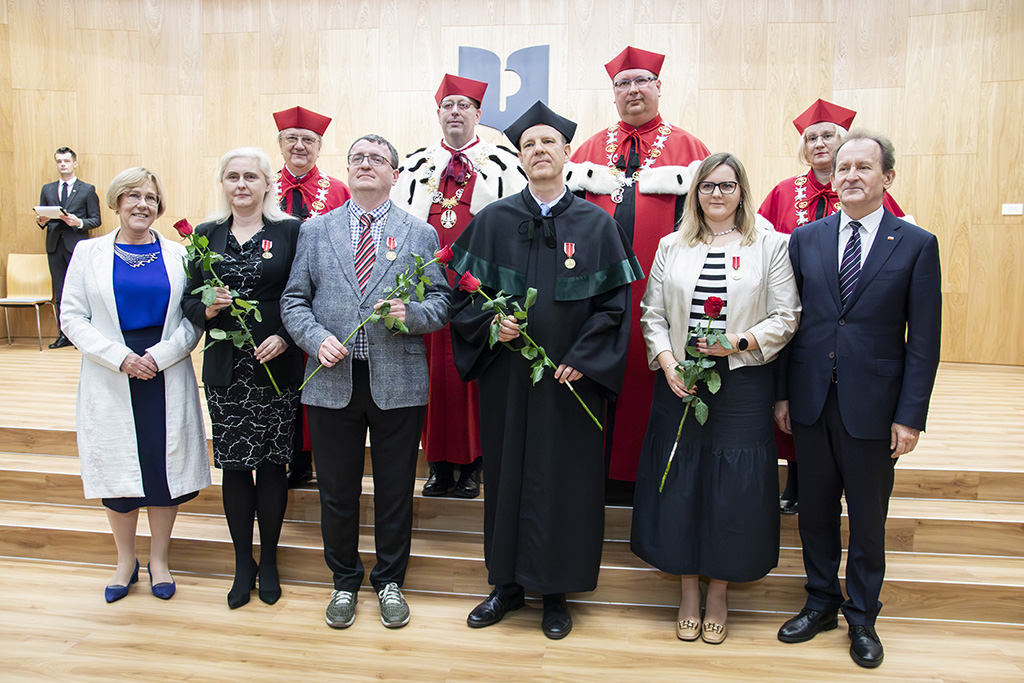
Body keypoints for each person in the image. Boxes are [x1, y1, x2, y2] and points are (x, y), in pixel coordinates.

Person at [450, 101, 643, 640]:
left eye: (548, 143)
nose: (539, 150)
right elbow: (463, 301)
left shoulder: (596, 224)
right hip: (508, 381)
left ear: (565, 154)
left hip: (568, 384)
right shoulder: (493, 222)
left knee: (566, 483)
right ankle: (507, 586)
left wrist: (583, 359)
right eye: (529, 144)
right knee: (507, 476)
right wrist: (492, 325)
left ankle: (555, 592)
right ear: (520, 156)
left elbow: (615, 309)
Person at [775, 131, 941, 668]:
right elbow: (789, 324)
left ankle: (863, 615)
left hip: (875, 406)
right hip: (810, 401)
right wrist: (781, 394)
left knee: (868, 518)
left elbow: (925, 341)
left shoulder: (916, 244)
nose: (849, 176)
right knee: (815, 512)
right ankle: (821, 599)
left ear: (886, 177)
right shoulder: (806, 238)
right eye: (842, 167)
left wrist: (911, 416)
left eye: (863, 167)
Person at [281, 134, 450, 630]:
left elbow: (441, 304)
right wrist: (315, 339)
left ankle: (391, 581)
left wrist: (410, 313)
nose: (366, 165)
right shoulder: (315, 230)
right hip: (331, 377)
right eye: (357, 158)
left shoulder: (418, 233)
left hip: (397, 380)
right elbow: (294, 301)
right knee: (337, 490)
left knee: (396, 489)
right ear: (347, 170)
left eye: (377, 159)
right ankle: (343, 581)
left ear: (395, 174)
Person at [631, 153, 800, 644]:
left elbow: (785, 316)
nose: (717, 195)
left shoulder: (770, 244)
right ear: (695, 193)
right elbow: (652, 314)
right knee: (681, 480)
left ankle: (720, 591)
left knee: (732, 488)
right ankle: (687, 589)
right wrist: (666, 362)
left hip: (743, 382)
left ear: (742, 191)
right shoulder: (671, 245)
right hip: (680, 380)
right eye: (707, 186)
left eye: (727, 186)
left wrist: (738, 342)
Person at [60, 167, 210, 602]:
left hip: (163, 369)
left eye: (150, 197)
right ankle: (125, 560)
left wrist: (158, 358)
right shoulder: (88, 254)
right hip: (112, 372)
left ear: (159, 206)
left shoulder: (180, 255)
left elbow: (191, 320)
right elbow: (72, 318)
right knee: (119, 471)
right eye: (132, 196)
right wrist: (120, 358)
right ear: (116, 201)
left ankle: (159, 558)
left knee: (164, 471)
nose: (142, 204)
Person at [568, 46, 710, 490]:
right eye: (622, 83)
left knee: (652, 375)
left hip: (663, 293)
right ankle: (599, 475)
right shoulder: (590, 149)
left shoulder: (690, 148)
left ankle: (648, 477)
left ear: (658, 88)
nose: (632, 90)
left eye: (641, 81)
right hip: (599, 295)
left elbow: (710, 222)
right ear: (613, 94)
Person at [759, 100, 911, 515]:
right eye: (812, 138)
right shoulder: (784, 192)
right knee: (801, 410)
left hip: (859, 330)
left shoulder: (876, 197)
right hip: (802, 317)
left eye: (828, 135)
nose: (820, 143)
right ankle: (798, 477)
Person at [392, 73, 526, 499]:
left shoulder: (506, 164)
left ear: (478, 114)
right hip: (427, 286)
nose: (455, 112)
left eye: (464, 105)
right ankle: (437, 464)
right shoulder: (414, 165)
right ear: (438, 113)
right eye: (448, 105)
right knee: (429, 375)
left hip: (481, 286)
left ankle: (473, 465)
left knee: (473, 374)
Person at [181, 148, 303, 609]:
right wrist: (206, 308)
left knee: (272, 465)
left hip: (276, 365)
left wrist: (288, 336)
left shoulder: (292, 231)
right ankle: (241, 563)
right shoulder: (205, 236)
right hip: (226, 367)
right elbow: (188, 303)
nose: (241, 185)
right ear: (222, 183)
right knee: (234, 466)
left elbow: (306, 293)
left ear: (268, 183)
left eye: (251, 176)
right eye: (232, 176)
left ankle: (268, 560)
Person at [272, 105, 352, 489]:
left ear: (319, 147)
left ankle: (320, 458)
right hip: (275, 302)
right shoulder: (265, 188)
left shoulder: (338, 190)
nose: (299, 146)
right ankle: (291, 457)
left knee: (319, 381)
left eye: (308, 140)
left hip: (323, 305)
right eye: (292, 139)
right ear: (281, 145)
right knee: (283, 379)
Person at [36, 147, 102, 349]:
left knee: (83, 291)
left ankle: (83, 335)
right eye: (59, 161)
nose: (62, 164)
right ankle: (63, 334)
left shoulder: (87, 189)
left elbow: (96, 219)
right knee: (60, 292)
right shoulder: (47, 189)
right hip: (55, 245)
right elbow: (41, 219)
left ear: (75, 163)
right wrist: (41, 220)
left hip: (77, 246)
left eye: (66, 161)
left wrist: (79, 222)